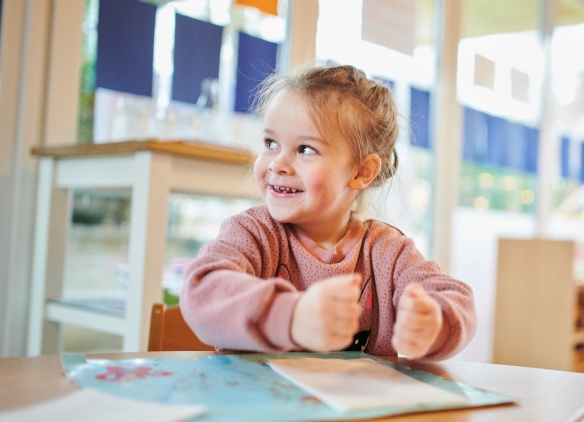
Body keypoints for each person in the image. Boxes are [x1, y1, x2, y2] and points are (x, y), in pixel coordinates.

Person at [180, 64, 476, 360]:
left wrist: (433, 324)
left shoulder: (388, 252)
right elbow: (202, 291)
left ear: (362, 171)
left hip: (356, 405)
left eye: (306, 149)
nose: (277, 164)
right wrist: (292, 317)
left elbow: (455, 298)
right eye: (271, 143)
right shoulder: (252, 234)